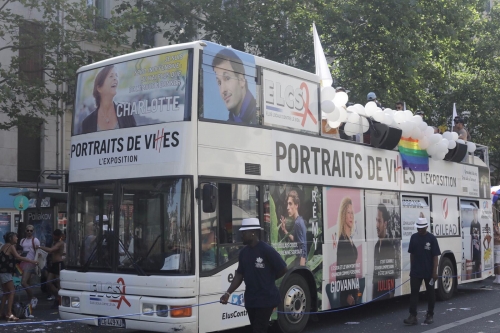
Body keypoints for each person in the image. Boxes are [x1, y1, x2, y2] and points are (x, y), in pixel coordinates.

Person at [220, 218, 287, 333]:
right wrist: (227, 293)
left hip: (266, 299)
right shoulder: (243, 253)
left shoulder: (267, 250)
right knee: (256, 328)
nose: (241, 235)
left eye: (244, 233)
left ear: (253, 233)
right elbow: (239, 275)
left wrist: (270, 278)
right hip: (251, 300)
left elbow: (283, 268)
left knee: (258, 329)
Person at [404, 218, 441, 325]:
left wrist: (434, 272)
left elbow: (435, 256)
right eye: (418, 228)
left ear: (426, 227)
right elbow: (412, 254)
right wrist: (412, 269)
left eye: (421, 228)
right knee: (414, 293)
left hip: (429, 272)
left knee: (430, 294)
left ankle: (430, 315)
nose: (419, 230)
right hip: (416, 271)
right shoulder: (414, 237)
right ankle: (413, 316)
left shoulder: (432, 238)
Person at [81, 65, 136, 133]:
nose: (115, 78)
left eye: (116, 75)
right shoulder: (87, 122)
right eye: (111, 76)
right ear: (99, 88)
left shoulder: (125, 110)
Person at [212, 49, 257, 124]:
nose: (223, 90)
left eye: (227, 78)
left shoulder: (257, 117)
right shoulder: (228, 124)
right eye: (219, 83)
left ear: (241, 80)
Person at [0, 232, 37, 322]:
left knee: (5, 293)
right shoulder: (11, 246)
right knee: (12, 291)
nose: (17, 238)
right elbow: (18, 257)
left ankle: (1, 313)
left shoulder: (4, 246)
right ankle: (9, 313)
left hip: (2, 272)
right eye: (15, 237)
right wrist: (32, 261)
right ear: (11, 238)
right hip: (6, 273)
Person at [336, 197, 359, 307]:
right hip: (347, 293)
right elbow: (342, 270)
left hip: (352, 289)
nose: (351, 216)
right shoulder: (342, 240)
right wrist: (348, 294)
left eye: (352, 213)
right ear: (343, 215)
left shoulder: (349, 240)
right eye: (348, 213)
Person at [373, 204, 396, 300]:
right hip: (376, 294)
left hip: (385, 294)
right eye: (376, 220)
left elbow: (392, 272)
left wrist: (391, 293)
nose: (376, 225)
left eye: (379, 221)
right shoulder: (376, 246)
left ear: (385, 223)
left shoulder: (389, 246)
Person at [37, 229, 65, 309]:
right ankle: (57, 297)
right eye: (53, 235)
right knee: (48, 282)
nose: (53, 237)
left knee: (58, 282)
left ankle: (60, 300)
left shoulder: (60, 243)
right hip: (53, 264)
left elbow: (51, 250)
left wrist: (40, 247)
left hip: (59, 264)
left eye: (55, 235)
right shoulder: (54, 242)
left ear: (58, 236)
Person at [280, 190, 307, 266]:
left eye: (290, 204)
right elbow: (296, 240)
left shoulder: (298, 223)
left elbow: (303, 248)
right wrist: (285, 230)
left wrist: (301, 268)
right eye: (287, 204)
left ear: (296, 205)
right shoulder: (299, 220)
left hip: (299, 262)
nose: (288, 207)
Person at [19, 224, 40, 309]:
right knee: (28, 283)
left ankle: (33, 298)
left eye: (31, 231)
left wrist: (37, 262)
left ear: (33, 231)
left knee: (23, 282)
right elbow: (21, 250)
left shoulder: (35, 240)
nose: (29, 232)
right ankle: (30, 301)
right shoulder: (22, 240)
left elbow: (38, 252)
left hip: (31, 262)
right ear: (25, 231)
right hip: (24, 262)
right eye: (27, 230)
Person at [470, 209, 481, 279]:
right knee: (474, 260)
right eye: (474, 213)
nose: (475, 215)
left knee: (478, 260)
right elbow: (471, 235)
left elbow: (480, 236)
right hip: (473, 244)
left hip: (478, 244)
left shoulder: (478, 224)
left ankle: (478, 275)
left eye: (476, 213)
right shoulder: (472, 223)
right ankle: (474, 275)